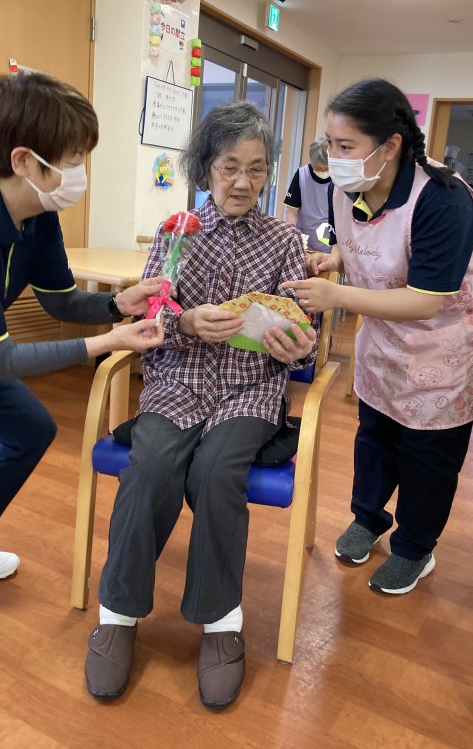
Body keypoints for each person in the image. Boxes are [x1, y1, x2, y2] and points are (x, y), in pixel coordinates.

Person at [84, 100, 317, 709]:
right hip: (177, 382)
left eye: (257, 168)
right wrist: (185, 321)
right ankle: (117, 614)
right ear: (205, 167)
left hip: (249, 389)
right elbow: (150, 316)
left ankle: (221, 622)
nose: (242, 181)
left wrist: (299, 343)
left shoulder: (284, 241)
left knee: (216, 472)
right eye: (228, 166)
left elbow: (302, 331)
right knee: (151, 467)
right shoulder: (176, 232)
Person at [0, 72, 164, 641]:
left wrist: (117, 305)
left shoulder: (38, 212)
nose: (80, 173)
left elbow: (61, 300)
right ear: (24, 160)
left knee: (31, 430)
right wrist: (109, 342)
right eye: (72, 160)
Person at [285, 77, 473, 595]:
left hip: (443, 349)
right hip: (384, 344)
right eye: (331, 144)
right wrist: (334, 261)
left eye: (345, 146)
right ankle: (368, 517)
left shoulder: (443, 200)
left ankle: (414, 547)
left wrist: (336, 295)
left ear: (390, 145)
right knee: (374, 437)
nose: (333, 159)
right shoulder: (349, 187)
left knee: (428, 456)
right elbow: (360, 242)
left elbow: (425, 300)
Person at [283, 136, 334, 253]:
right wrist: (292, 235)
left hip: (331, 243)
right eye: (318, 168)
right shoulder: (301, 175)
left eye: (326, 168)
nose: (323, 171)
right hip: (306, 242)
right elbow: (291, 211)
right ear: (311, 161)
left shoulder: (338, 177)